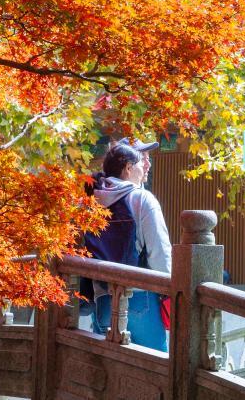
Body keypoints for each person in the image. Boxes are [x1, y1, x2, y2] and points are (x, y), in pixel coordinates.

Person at [88, 138, 172, 351]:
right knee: (155, 366)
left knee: (109, 366)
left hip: (103, 298)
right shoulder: (141, 199)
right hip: (139, 296)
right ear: (128, 167)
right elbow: (159, 253)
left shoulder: (91, 199)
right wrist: (171, 288)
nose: (147, 165)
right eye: (142, 159)